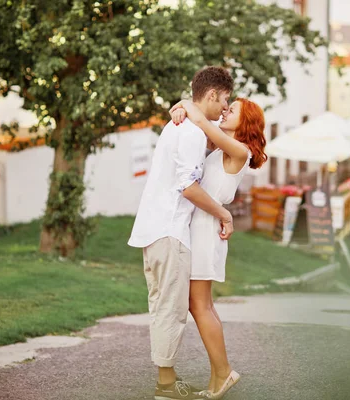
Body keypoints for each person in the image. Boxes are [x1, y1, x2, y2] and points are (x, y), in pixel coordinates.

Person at [128, 66, 235, 400]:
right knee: (170, 310)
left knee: (165, 307)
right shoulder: (189, 132)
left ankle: (167, 380)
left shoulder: (182, 125)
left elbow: (209, 123)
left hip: (156, 228)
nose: (225, 110)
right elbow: (188, 187)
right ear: (213, 94)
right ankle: (165, 386)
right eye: (224, 101)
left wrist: (184, 104)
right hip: (169, 230)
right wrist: (223, 213)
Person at [169, 97, 267, 399]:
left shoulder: (239, 150)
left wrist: (185, 102)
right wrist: (180, 109)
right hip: (202, 226)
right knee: (201, 304)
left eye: (232, 109)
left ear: (245, 121)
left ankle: (223, 372)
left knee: (199, 305)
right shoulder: (224, 148)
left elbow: (201, 122)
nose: (224, 111)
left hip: (206, 230)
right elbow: (198, 128)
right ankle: (217, 378)